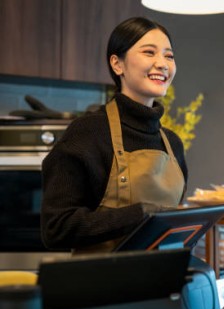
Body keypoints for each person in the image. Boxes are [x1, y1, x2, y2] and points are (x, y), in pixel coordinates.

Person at [41, 17, 188, 254]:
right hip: (100, 285)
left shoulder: (172, 143)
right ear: (117, 64)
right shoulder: (87, 133)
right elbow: (56, 228)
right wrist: (139, 214)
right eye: (149, 52)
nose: (162, 63)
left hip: (160, 283)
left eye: (169, 56)